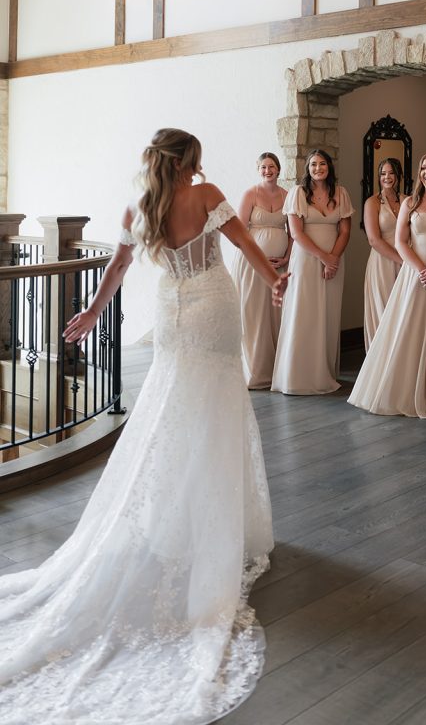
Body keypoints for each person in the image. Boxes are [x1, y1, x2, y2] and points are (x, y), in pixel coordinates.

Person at [0, 129, 288, 725]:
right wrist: (274, 281)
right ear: (186, 162)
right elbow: (243, 245)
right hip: (213, 307)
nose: (200, 167)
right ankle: (210, 526)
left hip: (173, 313)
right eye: (196, 159)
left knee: (170, 409)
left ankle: (171, 519)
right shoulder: (206, 194)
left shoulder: (139, 208)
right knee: (215, 410)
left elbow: (118, 266)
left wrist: (91, 311)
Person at [348, 152, 426, 418]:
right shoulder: (411, 203)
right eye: (423, 168)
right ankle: (405, 390)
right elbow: (401, 242)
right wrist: (422, 271)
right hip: (416, 273)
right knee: (409, 329)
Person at [271, 148, 353, 395]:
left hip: (334, 261)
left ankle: (323, 372)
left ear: (329, 167)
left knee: (327, 312)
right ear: (308, 168)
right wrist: (324, 257)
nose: (318, 168)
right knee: (303, 311)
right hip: (306, 260)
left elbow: (345, 231)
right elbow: (296, 233)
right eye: (314, 164)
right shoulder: (298, 193)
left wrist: (333, 259)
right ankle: (297, 376)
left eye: (322, 164)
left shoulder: (341, 193)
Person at [232, 152, 291, 389]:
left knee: (276, 315)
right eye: (264, 167)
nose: (268, 171)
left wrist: (286, 256)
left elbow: (293, 233)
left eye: (272, 166)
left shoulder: (287, 195)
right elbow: (238, 230)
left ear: (278, 169)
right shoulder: (250, 194)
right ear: (258, 170)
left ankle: (276, 369)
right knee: (254, 313)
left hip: (279, 265)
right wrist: (258, 256)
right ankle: (256, 370)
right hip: (252, 264)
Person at [363, 157, 406, 349]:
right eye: (382, 174)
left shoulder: (408, 200)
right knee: (384, 312)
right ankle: (380, 357)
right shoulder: (372, 202)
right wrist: (402, 260)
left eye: (391, 173)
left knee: (404, 312)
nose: (387, 177)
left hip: (407, 260)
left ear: (399, 176)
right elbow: (374, 240)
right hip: (383, 263)